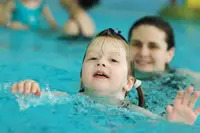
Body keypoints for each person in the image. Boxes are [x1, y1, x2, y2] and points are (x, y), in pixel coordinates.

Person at [11, 28, 200, 125]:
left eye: (113, 61)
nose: (101, 63)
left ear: (128, 83)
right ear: (81, 77)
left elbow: (161, 126)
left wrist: (177, 126)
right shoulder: (64, 98)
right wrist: (27, 89)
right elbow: (31, 99)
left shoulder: (138, 114)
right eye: (93, 58)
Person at [128, 16, 200, 115]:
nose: (143, 53)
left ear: (169, 54)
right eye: (136, 44)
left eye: (153, 46)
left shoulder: (184, 80)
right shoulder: (111, 74)